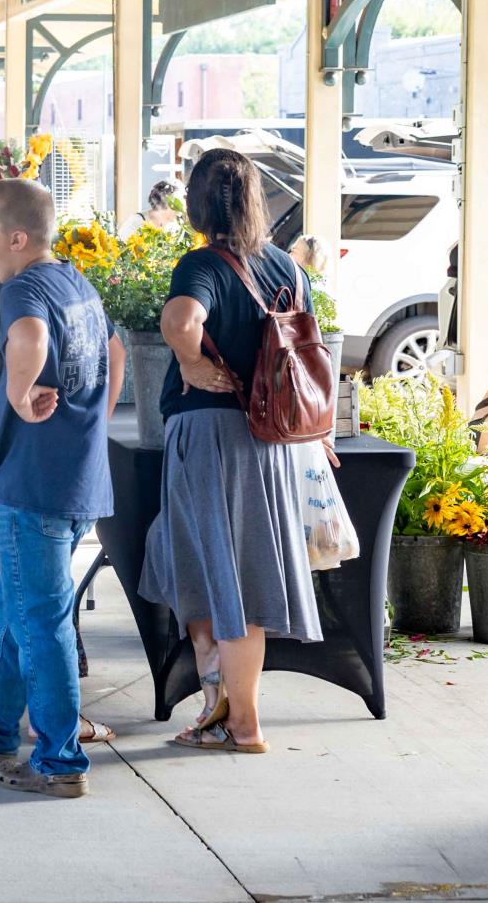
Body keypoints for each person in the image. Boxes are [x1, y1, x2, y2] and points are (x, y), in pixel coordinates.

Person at [0, 179, 123, 799]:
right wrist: (91, 426)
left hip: (32, 485)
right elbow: (113, 352)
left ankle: (60, 762)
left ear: (15, 238)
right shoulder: (74, 282)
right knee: (13, 610)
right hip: (73, 477)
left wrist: (17, 394)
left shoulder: (25, 288)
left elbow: (31, 339)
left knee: (41, 622)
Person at [140, 147, 323, 756]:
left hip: (212, 437)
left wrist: (193, 363)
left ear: (196, 203)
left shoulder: (202, 265)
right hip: (271, 441)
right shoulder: (286, 269)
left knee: (222, 577)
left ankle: (242, 723)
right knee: (226, 573)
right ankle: (223, 711)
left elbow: (179, 320)